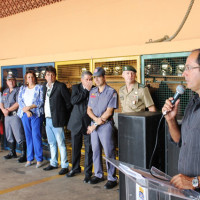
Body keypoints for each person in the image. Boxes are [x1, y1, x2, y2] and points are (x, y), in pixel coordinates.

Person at [162, 49, 200, 190]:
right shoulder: (193, 102)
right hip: (187, 191)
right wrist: (171, 120)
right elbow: (180, 141)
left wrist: (194, 182)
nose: (184, 73)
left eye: (189, 68)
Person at [87, 67, 118, 189]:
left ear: (104, 77)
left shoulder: (111, 92)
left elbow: (109, 111)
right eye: (95, 77)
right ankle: (99, 174)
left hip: (106, 126)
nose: (97, 79)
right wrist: (95, 121)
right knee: (95, 150)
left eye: (99, 77)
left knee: (109, 152)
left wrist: (96, 123)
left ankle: (112, 178)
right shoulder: (92, 91)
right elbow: (88, 110)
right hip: (95, 125)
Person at [43, 66, 72, 175]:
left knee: (61, 143)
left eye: (52, 74)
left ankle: (64, 165)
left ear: (55, 76)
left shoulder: (60, 86)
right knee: (51, 143)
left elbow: (68, 103)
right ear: (45, 76)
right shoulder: (44, 87)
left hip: (58, 120)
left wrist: (63, 117)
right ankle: (53, 162)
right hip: (48, 119)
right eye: (48, 75)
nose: (50, 77)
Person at [66, 71, 93, 183]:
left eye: (90, 79)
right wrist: (86, 91)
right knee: (75, 147)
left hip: (88, 123)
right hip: (76, 122)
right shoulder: (76, 88)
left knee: (88, 149)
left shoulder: (94, 89)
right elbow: (74, 101)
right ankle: (75, 168)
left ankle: (87, 174)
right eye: (86, 79)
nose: (89, 82)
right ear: (81, 80)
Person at [18, 71, 44, 168]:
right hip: (25, 114)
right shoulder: (22, 89)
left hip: (36, 114)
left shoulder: (39, 87)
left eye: (32, 77)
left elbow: (41, 101)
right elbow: (20, 100)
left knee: (36, 136)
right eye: (28, 77)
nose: (30, 79)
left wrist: (30, 107)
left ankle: (39, 159)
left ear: (35, 78)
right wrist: (26, 111)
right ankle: (29, 158)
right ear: (26, 79)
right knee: (28, 136)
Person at [0, 74, 26, 163]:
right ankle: (12, 152)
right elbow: (1, 102)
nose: (11, 82)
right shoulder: (5, 91)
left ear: (15, 81)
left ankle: (24, 154)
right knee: (9, 135)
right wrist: (3, 110)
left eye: (12, 80)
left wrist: (8, 110)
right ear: (7, 82)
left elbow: (18, 103)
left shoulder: (18, 90)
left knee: (19, 135)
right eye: (9, 80)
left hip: (15, 116)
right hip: (7, 116)